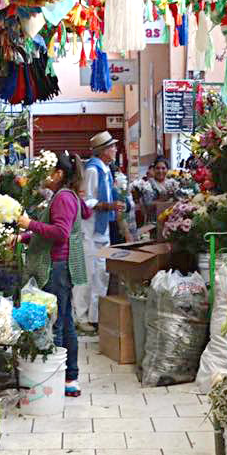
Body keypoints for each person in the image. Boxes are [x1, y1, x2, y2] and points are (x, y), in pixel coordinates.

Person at [18, 151, 90, 397]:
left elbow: (60, 233)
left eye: (48, 172)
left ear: (59, 173)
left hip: (57, 268)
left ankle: (58, 378)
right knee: (66, 322)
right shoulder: (66, 196)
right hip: (60, 266)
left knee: (57, 324)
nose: (44, 177)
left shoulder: (62, 198)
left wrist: (29, 225)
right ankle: (70, 378)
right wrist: (25, 237)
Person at [76, 131, 123, 334]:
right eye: (112, 146)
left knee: (101, 275)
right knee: (87, 275)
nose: (115, 149)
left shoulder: (106, 170)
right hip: (91, 231)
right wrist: (108, 205)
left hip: (102, 232)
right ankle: (81, 316)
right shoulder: (93, 171)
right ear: (103, 151)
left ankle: (96, 316)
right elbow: (86, 201)